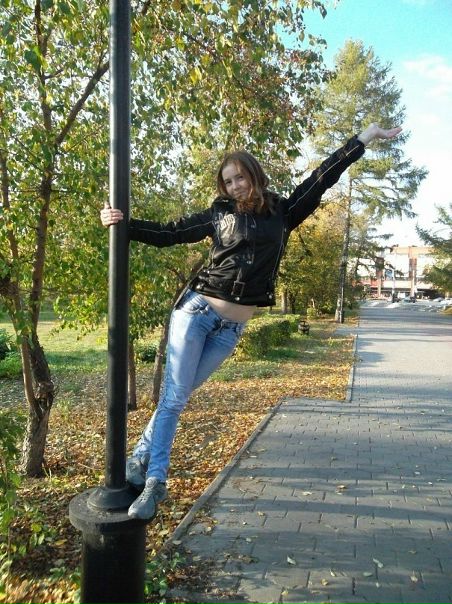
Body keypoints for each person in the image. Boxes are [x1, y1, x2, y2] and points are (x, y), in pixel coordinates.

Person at [101, 123, 402, 519]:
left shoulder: (285, 212)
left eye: (239, 177)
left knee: (178, 396)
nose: (235, 186)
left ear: (254, 175)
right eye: (228, 182)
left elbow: (322, 177)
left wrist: (364, 137)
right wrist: (123, 224)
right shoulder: (220, 213)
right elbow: (172, 232)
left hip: (230, 331)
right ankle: (156, 481)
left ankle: (140, 458)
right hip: (196, 313)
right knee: (174, 398)